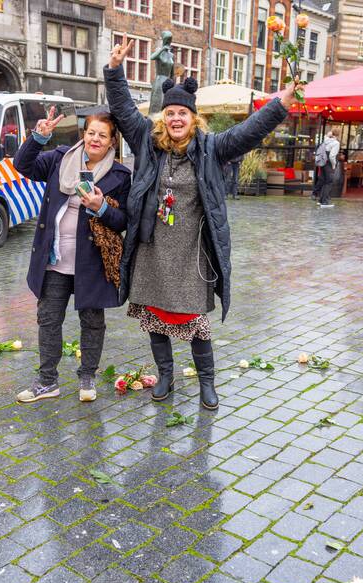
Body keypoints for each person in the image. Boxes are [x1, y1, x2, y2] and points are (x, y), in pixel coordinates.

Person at [104, 38, 300, 410]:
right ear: (164, 117)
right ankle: (165, 376)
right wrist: (114, 72)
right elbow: (124, 109)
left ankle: (207, 381)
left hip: (192, 253)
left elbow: (249, 131)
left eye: (183, 113)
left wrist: (280, 104)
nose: (176, 119)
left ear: (195, 118)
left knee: (196, 321)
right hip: (152, 247)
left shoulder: (212, 148)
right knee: (153, 315)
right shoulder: (148, 140)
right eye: (171, 113)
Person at [13, 109, 132, 402]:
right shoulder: (59, 159)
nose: (95, 139)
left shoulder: (119, 175)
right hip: (54, 259)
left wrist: (101, 207)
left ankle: (87, 377)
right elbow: (23, 166)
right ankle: (47, 381)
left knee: (92, 321)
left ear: (111, 141)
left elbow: (124, 221)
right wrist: (39, 137)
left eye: (102, 135)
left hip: (91, 263)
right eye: (91, 132)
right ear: (84, 134)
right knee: (48, 319)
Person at [316, 130, 339, 208]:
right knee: (329, 182)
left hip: (322, 163)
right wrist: (334, 165)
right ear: (338, 135)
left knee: (324, 180)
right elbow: (332, 156)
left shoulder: (326, 141)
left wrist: (328, 134)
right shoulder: (336, 143)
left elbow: (325, 137)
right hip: (328, 163)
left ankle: (321, 200)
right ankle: (325, 202)